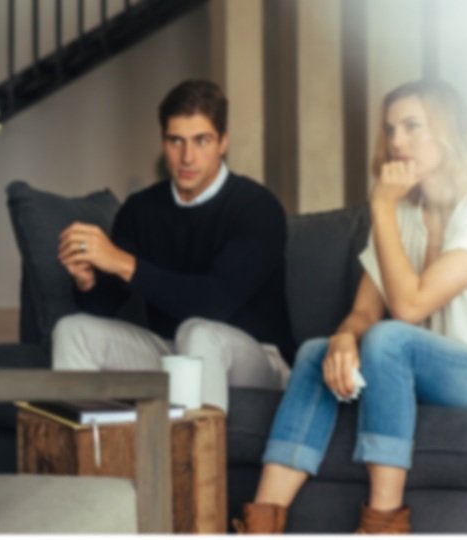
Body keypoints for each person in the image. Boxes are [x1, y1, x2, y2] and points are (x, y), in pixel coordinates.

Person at [234, 80, 467, 533]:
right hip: (440, 372)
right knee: (316, 353)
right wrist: (342, 337)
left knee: (391, 340)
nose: (396, 142)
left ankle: (381, 523)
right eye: (391, 129)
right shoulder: (404, 214)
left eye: (413, 126)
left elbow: (409, 308)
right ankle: (263, 520)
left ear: (450, 130)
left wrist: (378, 206)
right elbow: (363, 314)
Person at [52, 79, 295, 412]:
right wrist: (86, 280)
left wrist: (124, 263)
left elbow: (214, 303)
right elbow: (106, 305)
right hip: (173, 350)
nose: (187, 157)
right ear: (163, 142)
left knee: (198, 333)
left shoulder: (257, 207)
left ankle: (193, 463)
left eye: (202, 141)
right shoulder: (141, 209)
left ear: (223, 143)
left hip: (256, 357)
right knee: (72, 330)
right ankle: (90, 459)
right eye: (175, 141)